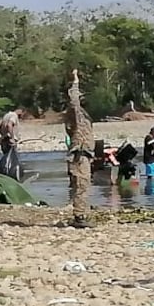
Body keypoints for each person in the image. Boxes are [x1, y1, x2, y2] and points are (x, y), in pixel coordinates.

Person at [63, 70, 94, 228]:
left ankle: (81, 213)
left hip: (84, 155)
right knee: (81, 184)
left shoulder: (83, 116)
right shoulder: (77, 115)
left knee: (84, 185)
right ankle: (79, 216)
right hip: (79, 155)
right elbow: (74, 101)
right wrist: (75, 80)